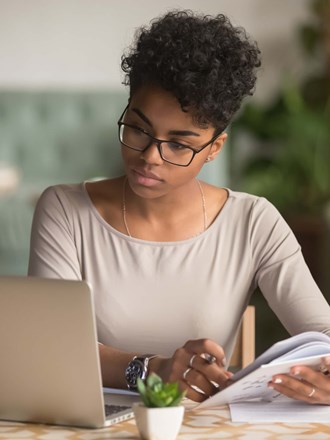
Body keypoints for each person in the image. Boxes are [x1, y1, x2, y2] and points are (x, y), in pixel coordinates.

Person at [28, 10, 330, 404]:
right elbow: (51, 346)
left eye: (179, 144)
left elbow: (322, 335)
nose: (150, 156)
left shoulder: (253, 222)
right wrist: (154, 370)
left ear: (213, 149)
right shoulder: (65, 211)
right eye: (138, 128)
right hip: (94, 425)